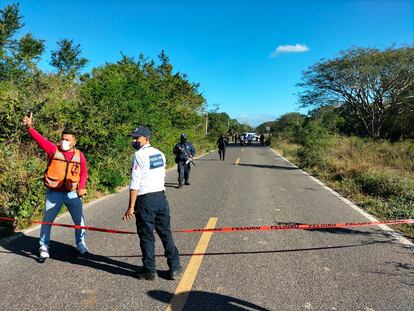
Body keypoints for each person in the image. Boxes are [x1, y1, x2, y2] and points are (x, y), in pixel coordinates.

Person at [22, 113, 89, 259]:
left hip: (72, 193)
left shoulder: (80, 155)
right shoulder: (54, 150)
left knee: (80, 221)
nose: (64, 141)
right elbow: (41, 141)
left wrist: (82, 186)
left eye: (67, 139)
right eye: (62, 138)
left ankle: (81, 244)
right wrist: (30, 128)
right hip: (54, 193)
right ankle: (43, 246)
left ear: (74, 142)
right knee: (47, 221)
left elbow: (84, 173)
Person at [123, 126, 181, 281]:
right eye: (133, 138)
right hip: (161, 197)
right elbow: (161, 175)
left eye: (137, 138)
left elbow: (135, 182)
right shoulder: (160, 154)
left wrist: (131, 206)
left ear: (146, 138)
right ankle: (175, 267)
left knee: (146, 236)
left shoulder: (139, 155)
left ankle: (149, 270)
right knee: (165, 232)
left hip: (146, 200)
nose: (134, 141)